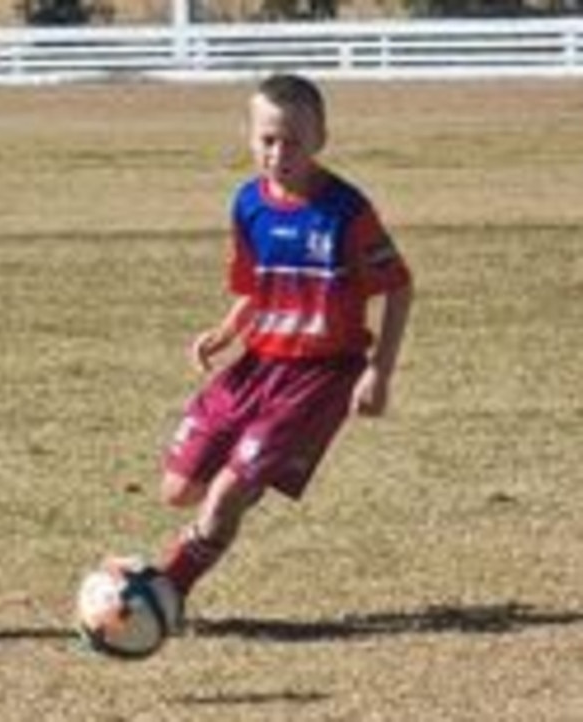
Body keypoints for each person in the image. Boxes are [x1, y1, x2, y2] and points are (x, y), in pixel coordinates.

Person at [153, 73, 413, 625]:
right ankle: (248, 478)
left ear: (320, 138)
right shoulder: (248, 204)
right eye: (268, 139)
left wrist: (379, 373)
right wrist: (225, 333)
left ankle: (165, 592)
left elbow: (399, 286)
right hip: (256, 366)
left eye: (294, 141)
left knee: (222, 495)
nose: (279, 153)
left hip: (320, 375)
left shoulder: (346, 211)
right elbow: (256, 286)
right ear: (248, 137)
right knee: (179, 490)